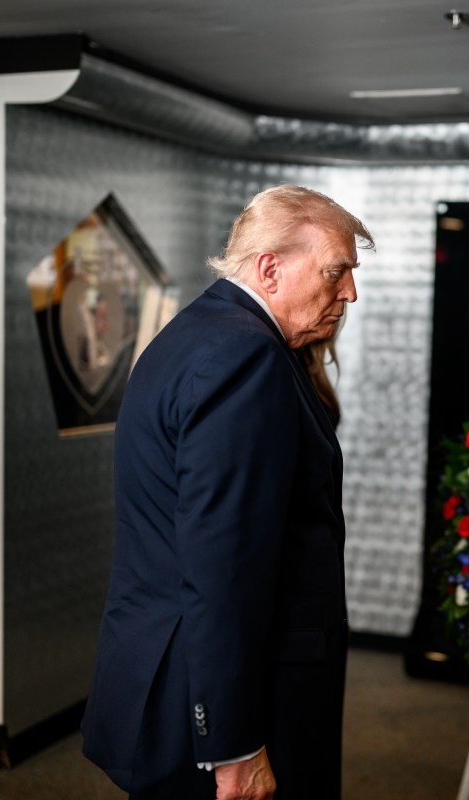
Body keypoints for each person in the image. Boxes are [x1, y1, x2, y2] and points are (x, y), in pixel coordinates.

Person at [81, 185, 373, 800]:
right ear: (270, 268)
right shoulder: (245, 355)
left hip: (175, 674)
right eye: (337, 270)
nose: (349, 291)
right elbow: (223, 562)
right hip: (219, 702)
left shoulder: (199, 333)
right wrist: (234, 744)